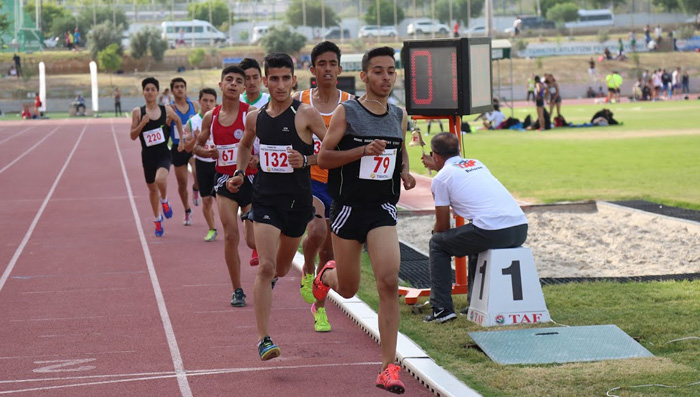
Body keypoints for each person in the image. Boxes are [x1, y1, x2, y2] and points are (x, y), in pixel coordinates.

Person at [315, 46, 416, 393]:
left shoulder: (398, 114)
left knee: (388, 282)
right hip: (347, 209)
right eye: (378, 71)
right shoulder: (347, 112)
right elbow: (323, 158)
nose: (385, 77)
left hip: (382, 209)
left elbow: (400, 149)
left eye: (390, 71)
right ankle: (326, 274)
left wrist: (404, 172)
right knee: (348, 287)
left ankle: (388, 368)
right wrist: (361, 150)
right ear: (364, 76)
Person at [228, 53, 327, 360]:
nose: (280, 85)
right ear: (265, 81)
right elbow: (244, 145)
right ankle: (263, 339)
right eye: (274, 78)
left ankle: (276, 277)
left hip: (298, 203)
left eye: (286, 78)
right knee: (266, 266)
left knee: (282, 269)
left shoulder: (306, 114)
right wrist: (240, 172)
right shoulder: (255, 117)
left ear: (294, 79)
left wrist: (308, 159)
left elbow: (333, 150)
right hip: (266, 198)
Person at [420, 132, 528, 321]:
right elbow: (457, 174)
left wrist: (436, 232)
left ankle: (442, 309)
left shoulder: (441, 179)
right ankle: (476, 303)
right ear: (458, 150)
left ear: (435, 156)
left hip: (492, 231)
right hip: (519, 228)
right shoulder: (477, 163)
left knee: (437, 244)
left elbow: (443, 225)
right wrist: (439, 167)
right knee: (474, 240)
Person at [294, 41, 353, 333]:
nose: (327, 68)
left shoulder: (351, 103)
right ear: (312, 69)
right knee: (316, 231)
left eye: (332, 64)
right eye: (322, 64)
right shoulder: (299, 100)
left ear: (339, 69)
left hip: (339, 184)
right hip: (309, 181)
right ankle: (307, 270)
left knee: (330, 255)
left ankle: (319, 307)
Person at [194, 67, 260, 307]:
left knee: (252, 240)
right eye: (229, 80)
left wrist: (258, 159)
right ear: (221, 85)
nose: (233, 84)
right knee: (230, 234)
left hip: (250, 179)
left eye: (238, 81)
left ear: (244, 88)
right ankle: (238, 290)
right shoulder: (210, 117)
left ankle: (268, 265)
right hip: (223, 180)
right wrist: (207, 152)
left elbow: (268, 144)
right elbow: (197, 147)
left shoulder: (251, 113)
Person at [129, 77, 185, 237]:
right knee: (152, 189)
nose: (150, 92)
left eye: (153, 89)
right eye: (147, 89)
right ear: (143, 92)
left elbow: (178, 120)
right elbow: (133, 135)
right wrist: (142, 124)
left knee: (160, 180)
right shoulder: (138, 112)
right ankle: (157, 218)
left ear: (157, 92)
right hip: (147, 156)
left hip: (163, 154)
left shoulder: (165, 109)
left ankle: (165, 200)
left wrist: (181, 140)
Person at [238, 57, 270, 266]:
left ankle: (264, 248)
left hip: (267, 164)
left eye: (255, 77)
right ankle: (256, 245)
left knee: (265, 208)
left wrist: (260, 157)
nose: (251, 82)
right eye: (246, 79)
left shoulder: (268, 101)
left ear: (261, 79)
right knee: (249, 226)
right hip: (244, 166)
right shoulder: (236, 102)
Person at [186, 88, 219, 242]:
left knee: (223, 200)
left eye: (211, 101)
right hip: (202, 164)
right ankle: (212, 229)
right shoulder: (192, 122)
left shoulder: (221, 118)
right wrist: (196, 139)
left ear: (216, 102)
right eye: (205, 100)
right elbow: (187, 148)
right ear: (199, 102)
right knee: (206, 200)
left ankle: (229, 228)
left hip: (220, 164)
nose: (208, 104)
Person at [169, 77, 200, 226]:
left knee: (197, 173)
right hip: (178, 148)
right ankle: (187, 210)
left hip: (193, 145)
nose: (180, 89)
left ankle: (196, 187)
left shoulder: (194, 106)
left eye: (182, 86)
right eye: (177, 87)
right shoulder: (170, 109)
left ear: (185, 89)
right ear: (172, 90)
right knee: (182, 183)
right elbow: (164, 128)